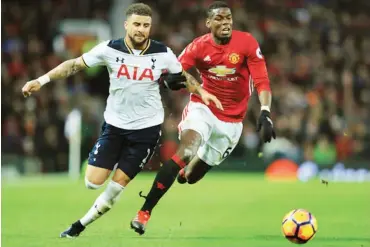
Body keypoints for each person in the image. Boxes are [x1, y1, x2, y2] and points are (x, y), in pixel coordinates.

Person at [21, 3, 222, 238]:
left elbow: (183, 76)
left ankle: (78, 226)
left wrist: (201, 91)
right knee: (92, 182)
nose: (141, 30)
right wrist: (41, 80)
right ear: (126, 25)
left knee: (116, 188)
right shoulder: (109, 49)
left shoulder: (163, 53)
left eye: (146, 25)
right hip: (114, 127)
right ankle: (107, 162)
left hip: (146, 131)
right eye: (136, 24)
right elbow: (74, 65)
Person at [130, 1, 276, 235]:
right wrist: (170, 79)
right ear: (208, 23)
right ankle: (144, 212)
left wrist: (266, 111)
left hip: (232, 123)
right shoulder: (198, 47)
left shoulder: (247, 42)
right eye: (219, 18)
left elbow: (262, 80)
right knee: (186, 151)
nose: (226, 22)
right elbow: (175, 71)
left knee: (191, 176)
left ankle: (183, 171)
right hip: (204, 108)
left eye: (228, 18)